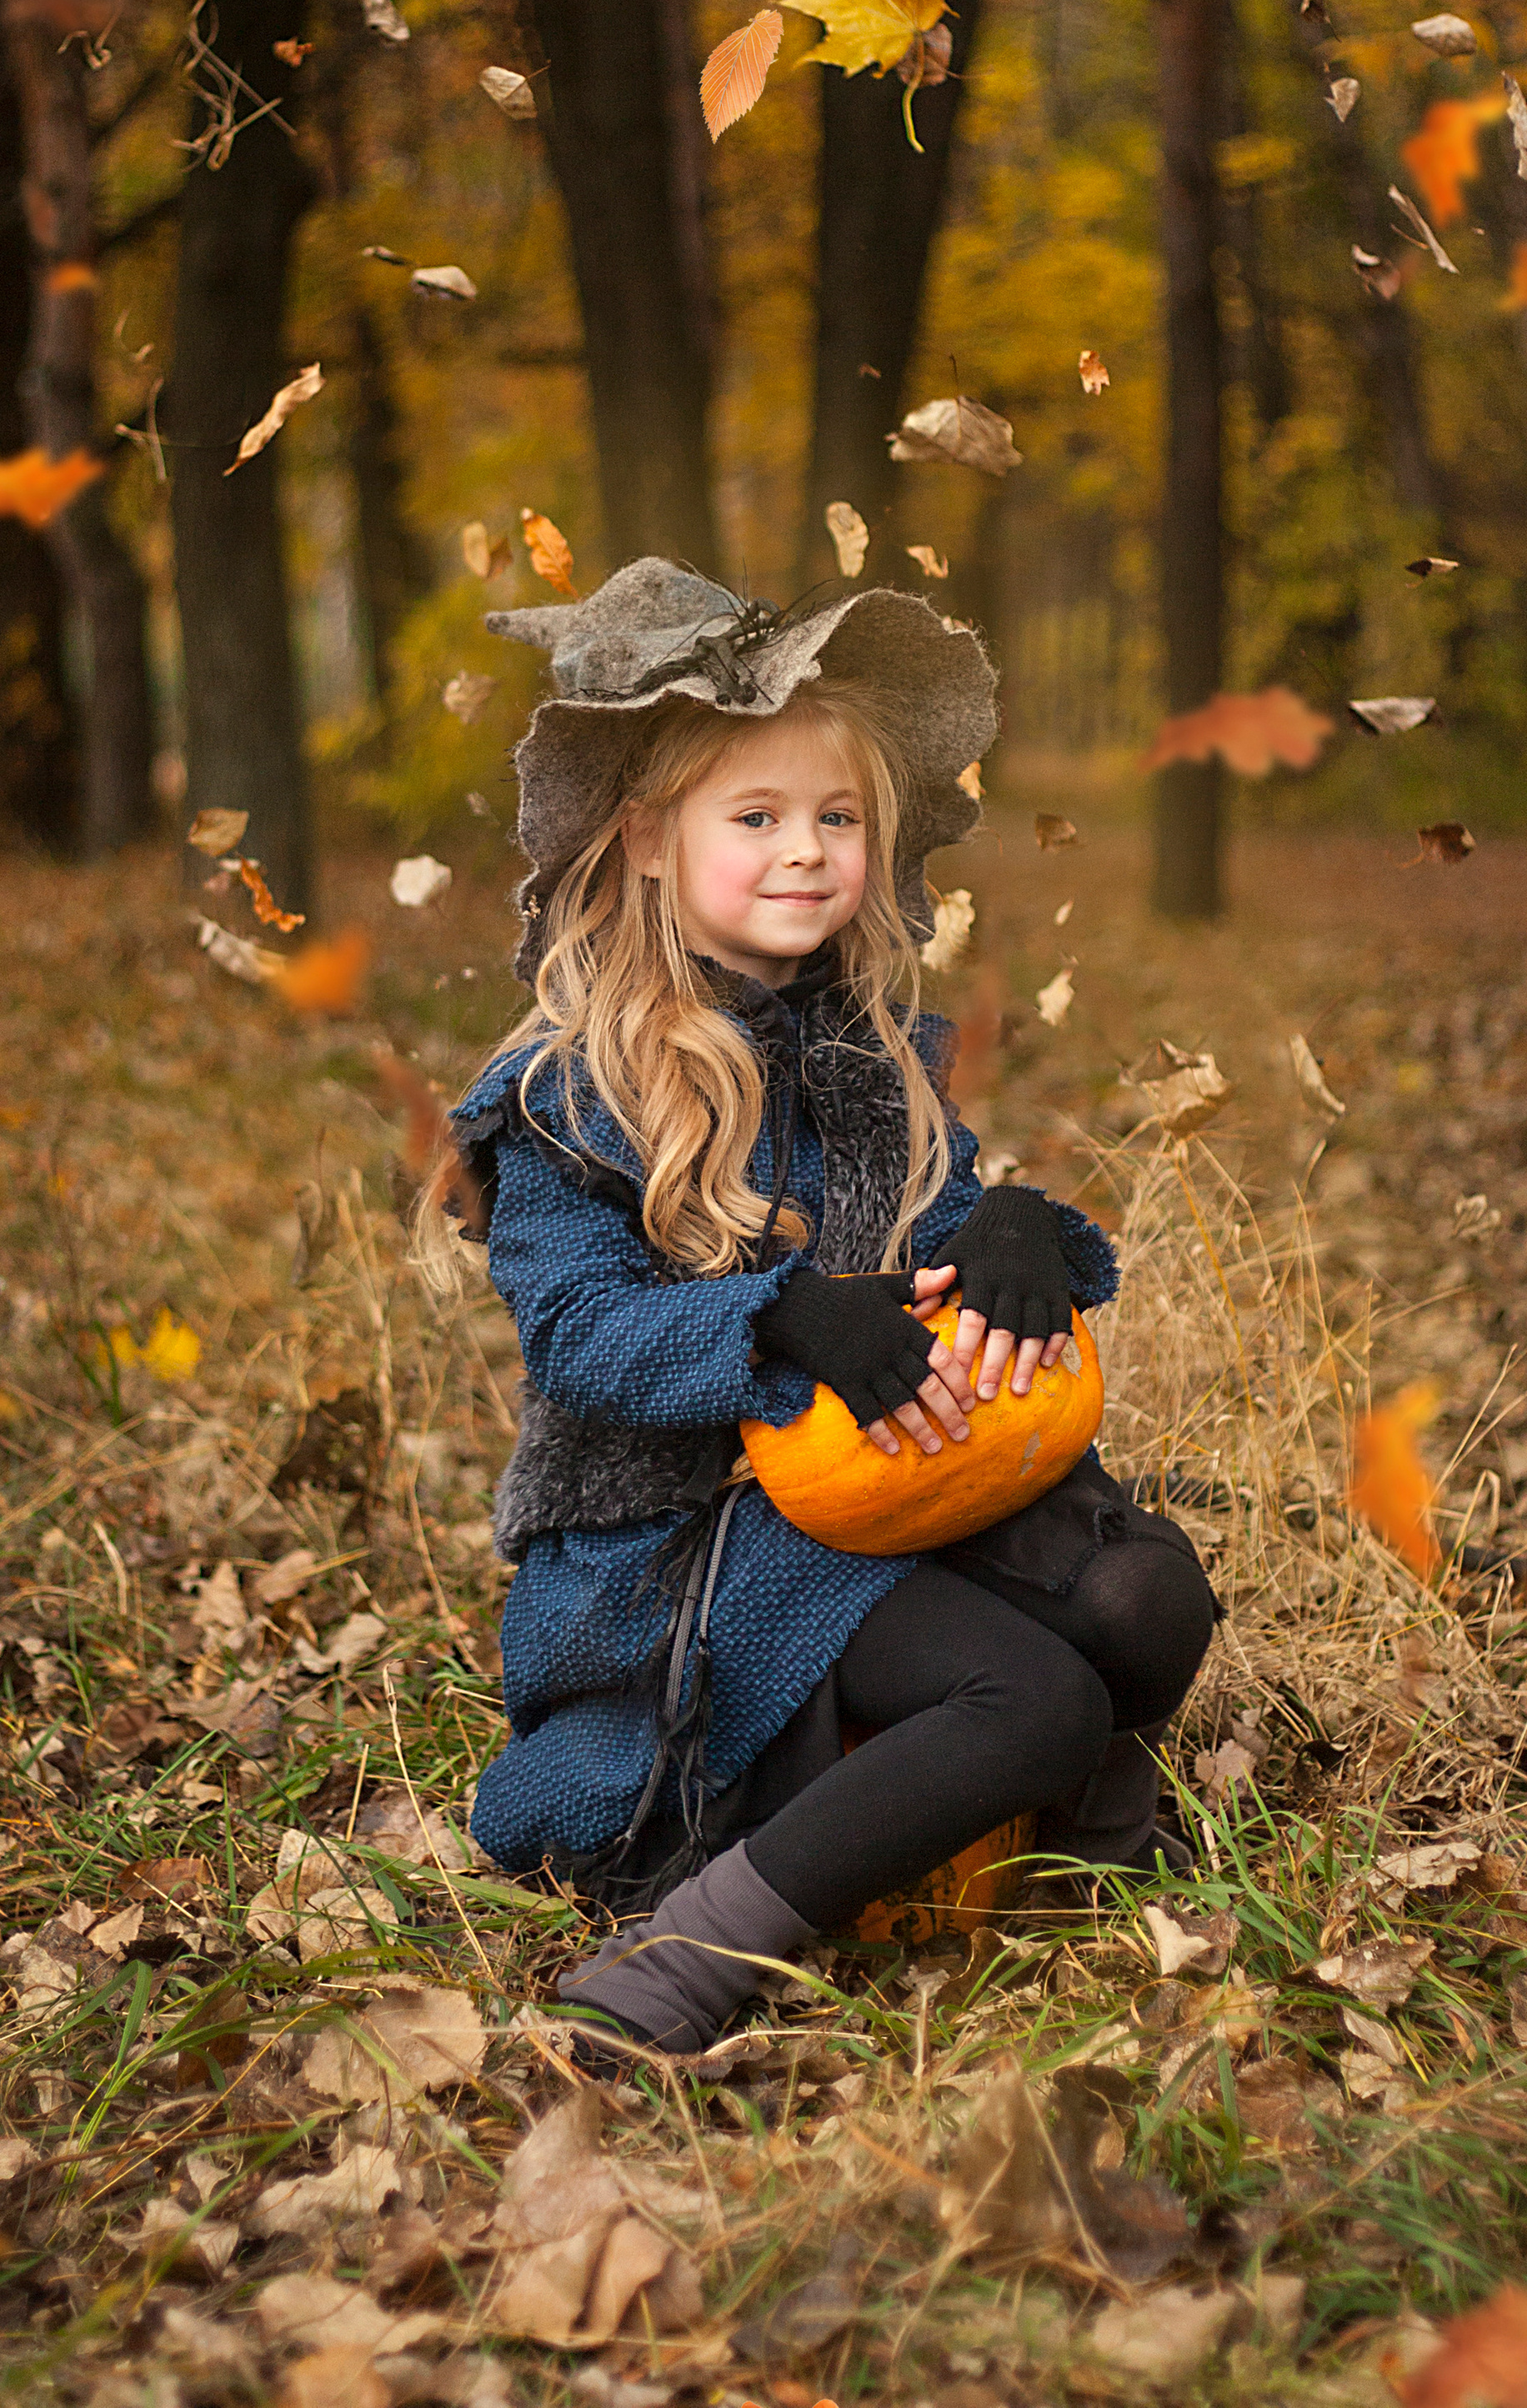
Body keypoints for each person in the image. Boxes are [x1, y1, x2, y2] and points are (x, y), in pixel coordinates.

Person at [434, 561, 1216, 2063]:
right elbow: (578, 1335)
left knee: (1147, 1598)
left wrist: (1013, 1234)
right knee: (1036, 1696)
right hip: (684, 1541)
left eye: (837, 818)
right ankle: (694, 1945)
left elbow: (942, 1233)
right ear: (648, 839)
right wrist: (780, 1317)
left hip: (884, 1484)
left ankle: (1078, 1846)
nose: (806, 850)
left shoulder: (872, 1054)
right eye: (757, 817)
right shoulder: (565, 1094)